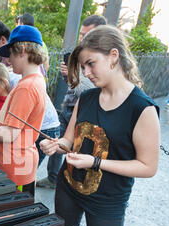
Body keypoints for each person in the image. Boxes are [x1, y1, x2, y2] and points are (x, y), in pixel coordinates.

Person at [40, 25, 160, 226]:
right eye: (83, 66)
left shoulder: (142, 108)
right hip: (69, 188)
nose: (86, 73)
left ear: (113, 56)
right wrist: (57, 144)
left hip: (108, 200)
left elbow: (148, 166)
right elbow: (69, 140)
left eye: (90, 64)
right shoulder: (87, 97)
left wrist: (95, 162)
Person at [0, 26, 48, 196]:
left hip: (14, 166)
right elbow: (10, 118)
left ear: (22, 50)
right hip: (19, 163)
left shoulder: (25, 88)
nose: (8, 59)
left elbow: (10, 133)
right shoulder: (36, 80)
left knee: (9, 215)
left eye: (10, 53)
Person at [37, 14, 106, 189]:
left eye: (86, 35)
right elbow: (76, 86)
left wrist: (73, 76)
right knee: (59, 142)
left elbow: (92, 91)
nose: (82, 39)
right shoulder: (80, 54)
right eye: (81, 34)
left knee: (80, 150)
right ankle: (55, 178)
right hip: (69, 107)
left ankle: (74, 182)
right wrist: (68, 76)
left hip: (87, 115)